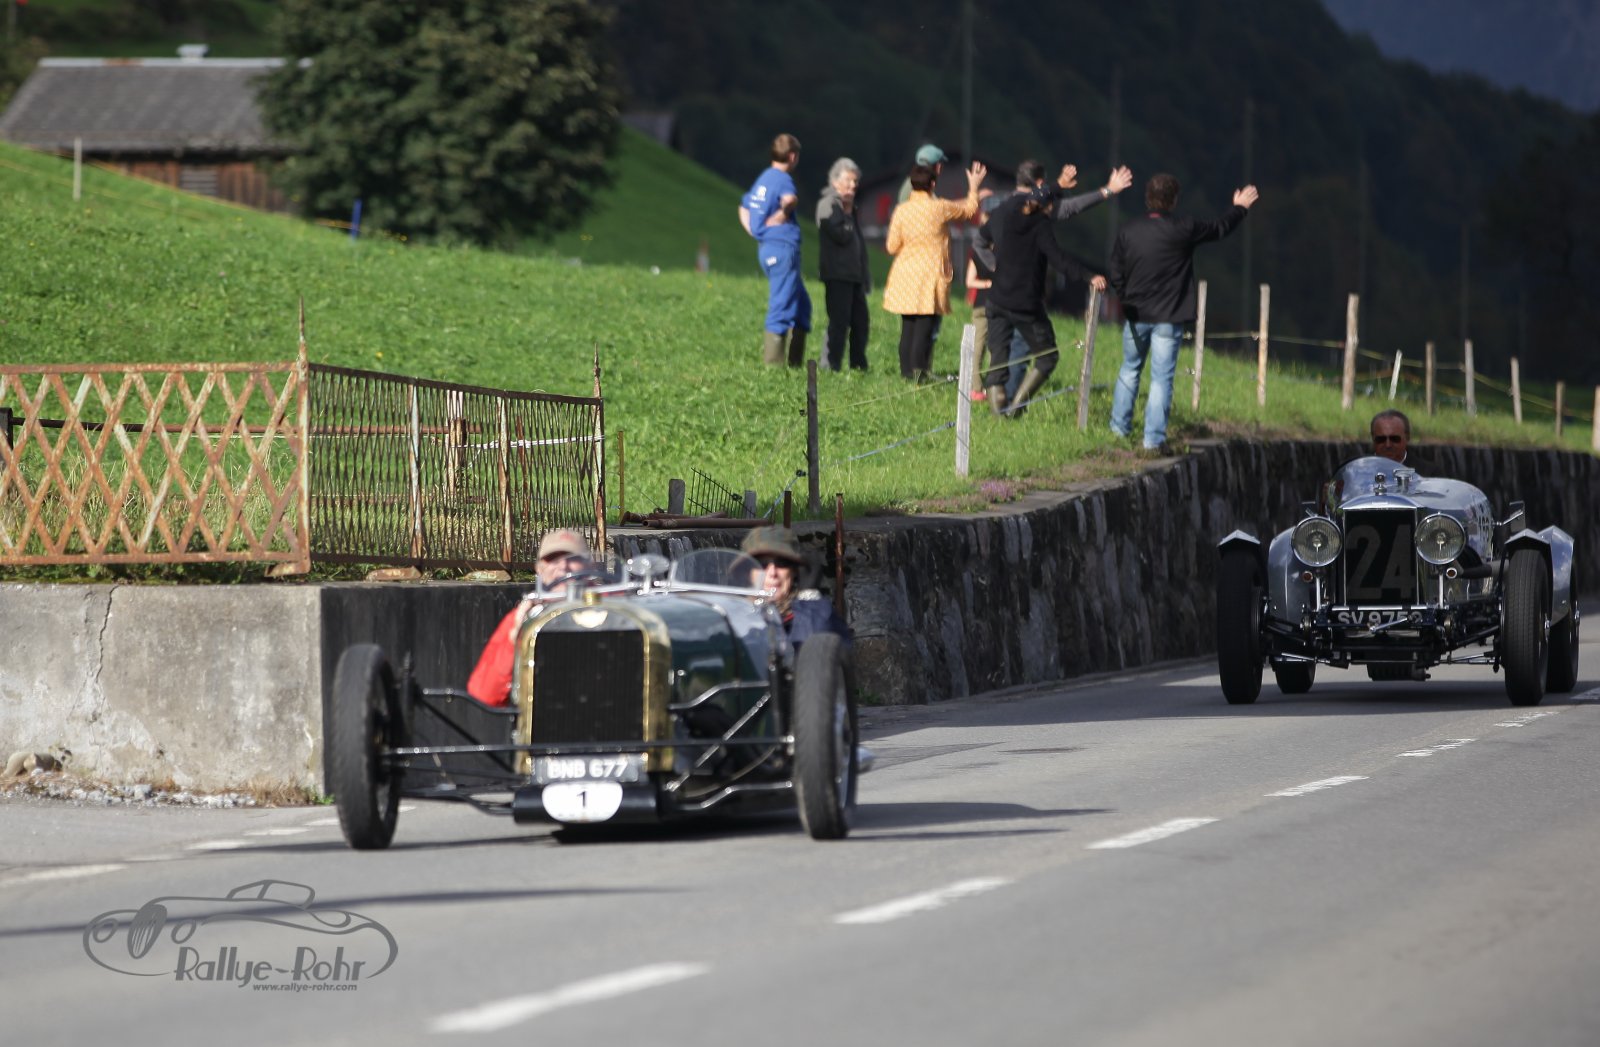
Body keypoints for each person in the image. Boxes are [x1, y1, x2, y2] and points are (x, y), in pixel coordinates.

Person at [1109, 173, 1259, 453]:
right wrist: (1239, 208)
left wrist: (1125, 296)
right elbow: (1219, 228)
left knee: (1129, 370)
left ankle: (1118, 433)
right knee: (1161, 378)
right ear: (1174, 200)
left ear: (1147, 198)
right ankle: (1153, 440)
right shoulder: (1184, 228)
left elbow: (1115, 269)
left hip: (1136, 314)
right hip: (1169, 315)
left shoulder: (1129, 230)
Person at [975, 159, 1133, 408]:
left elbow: (979, 241)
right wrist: (1107, 191)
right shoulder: (1040, 222)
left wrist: (995, 267)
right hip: (1026, 302)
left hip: (997, 298)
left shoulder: (1002, 211)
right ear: (1040, 185)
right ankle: (1016, 408)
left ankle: (999, 413)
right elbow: (1060, 252)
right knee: (1046, 356)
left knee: (998, 358)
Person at [882, 160, 987, 381]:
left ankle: (906, 374)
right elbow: (969, 210)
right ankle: (919, 374)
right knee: (924, 327)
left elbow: (891, 246)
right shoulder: (939, 208)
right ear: (932, 184)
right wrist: (974, 187)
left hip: (904, 273)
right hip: (930, 274)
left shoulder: (901, 210)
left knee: (908, 326)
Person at [466, 528, 593, 707]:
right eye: (553, 559)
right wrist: (516, 638)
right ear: (539, 569)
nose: (563, 566)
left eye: (573, 559)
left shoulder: (614, 608)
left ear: (589, 565)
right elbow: (485, 694)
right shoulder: (526, 617)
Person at [739, 133, 812, 367]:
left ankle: (794, 363)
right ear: (792, 156)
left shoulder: (764, 178)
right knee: (781, 305)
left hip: (768, 248)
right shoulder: (782, 179)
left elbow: (744, 205)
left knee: (801, 304)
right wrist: (782, 214)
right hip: (782, 249)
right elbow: (790, 199)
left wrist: (755, 230)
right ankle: (774, 367)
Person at [740, 526, 850, 650]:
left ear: (794, 570)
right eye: (761, 564)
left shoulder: (816, 613)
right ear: (747, 572)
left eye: (782, 563)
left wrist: (809, 599)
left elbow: (819, 651)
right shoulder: (733, 613)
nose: (772, 572)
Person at [815, 157, 871, 371]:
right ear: (835, 181)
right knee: (839, 323)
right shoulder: (828, 205)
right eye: (848, 180)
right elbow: (840, 235)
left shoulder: (847, 207)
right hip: (837, 274)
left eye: (855, 181)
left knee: (861, 323)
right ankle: (830, 365)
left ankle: (858, 366)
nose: (853, 185)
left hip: (854, 276)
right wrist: (847, 214)